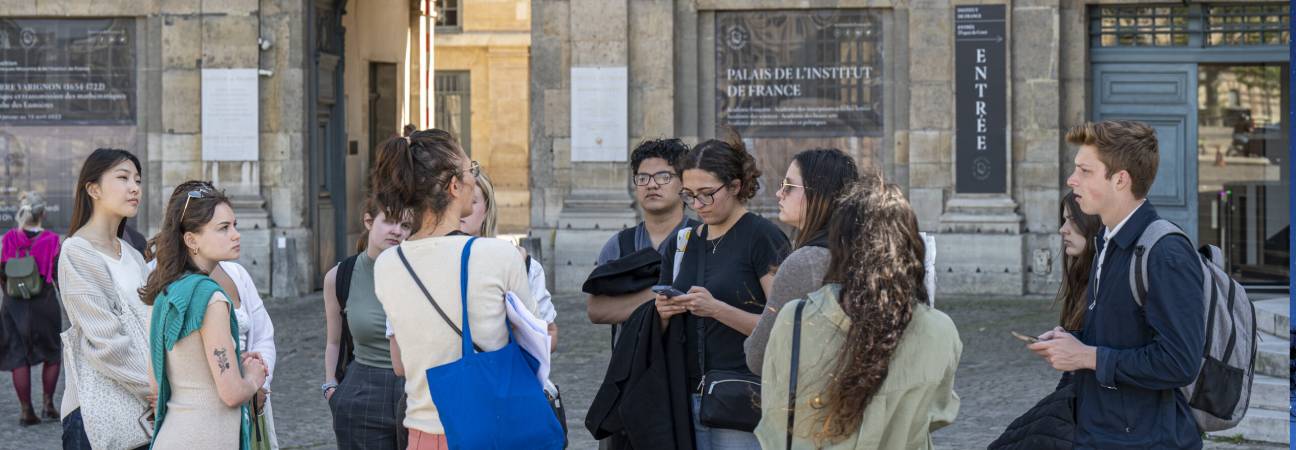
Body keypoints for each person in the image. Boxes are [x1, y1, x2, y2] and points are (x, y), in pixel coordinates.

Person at [1031, 120, 1205, 449]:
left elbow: (1179, 363)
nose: (1071, 180)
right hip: (1101, 433)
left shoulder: (1166, 253)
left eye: (1084, 170)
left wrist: (1087, 356)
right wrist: (1071, 341)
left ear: (1120, 180)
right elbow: (1122, 335)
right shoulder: (1107, 242)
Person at [755, 176, 961, 449]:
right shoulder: (940, 330)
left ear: (839, 245)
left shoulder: (797, 318)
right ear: (910, 245)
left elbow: (775, 416)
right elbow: (938, 412)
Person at [369, 130, 538, 449]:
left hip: (422, 433)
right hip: (495, 429)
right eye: (470, 170)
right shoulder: (500, 256)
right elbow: (535, 347)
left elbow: (402, 363)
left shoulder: (389, 265)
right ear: (454, 185)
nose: (475, 178)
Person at [654, 132, 790, 449]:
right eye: (688, 195)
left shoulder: (763, 237)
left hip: (744, 394)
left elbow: (785, 326)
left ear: (735, 186)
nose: (698, 205)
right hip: (688, 394)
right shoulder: (682, 241)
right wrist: (663, 314)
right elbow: (663, 326)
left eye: (707, 194)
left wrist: (716, 309)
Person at [142, 182, 268, 449]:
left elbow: (156, 384)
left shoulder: (165, 291)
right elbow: (232, 393)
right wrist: (254, 377)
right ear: (191, 240)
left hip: (172, 436)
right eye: (223, 228)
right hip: (208, 438)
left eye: (234, 225)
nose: (236, 235)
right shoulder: (211, 298)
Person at [57, 148, 154, 450]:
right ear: (93, 189)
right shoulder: (77, 252)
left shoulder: (134, 255)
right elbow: (104, 340)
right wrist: (155, 389)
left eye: (137, 179)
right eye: (123, 178)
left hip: (143, 411)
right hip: (98, 414)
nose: (134, 187)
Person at [744, 148, 858, 375]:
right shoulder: (860, 252)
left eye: (788, 186)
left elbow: (758, 356)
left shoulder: (806, 263)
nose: (779, 194)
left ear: (819, 195)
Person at [323, 196, 412, 449]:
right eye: (390, 221)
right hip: (363, 391)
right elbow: (333, 342)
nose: (397, 231)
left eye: (405, 225)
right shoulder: (340, 276)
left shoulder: (420, 273)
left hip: (417, 390)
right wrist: (331, 388)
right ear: (369, 221)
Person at [587, 139, 698, 341]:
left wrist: (627, 303)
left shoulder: (702, 237)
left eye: (663, 177)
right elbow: (596, 310)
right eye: (643, 178)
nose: (652, 184)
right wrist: (662, 296)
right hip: (632, 362)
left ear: (684, 184)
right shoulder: (620, 244)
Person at [460, 171, 558, 349]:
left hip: (500, 370)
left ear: (487, 210)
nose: (462, 210)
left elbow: (549, 336)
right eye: (455, 202)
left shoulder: (522, 264)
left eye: (472, 202)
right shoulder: (430, 262)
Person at [0, 192, 63, 425]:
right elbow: (58, 276)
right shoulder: (52, 240)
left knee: (18, 357)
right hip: (44, 303)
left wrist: (9, 295)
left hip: (13, 304)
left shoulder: (8, 239)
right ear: (43, 214)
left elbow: (2, 272)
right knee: (53, 354)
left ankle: (26, 411)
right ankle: (48, 405)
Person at [1056, 192, 1102, 335]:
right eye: (1064, 220)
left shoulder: (1106, 282)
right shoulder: (1081, 277)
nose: (1062, 229)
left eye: (1073, 220)